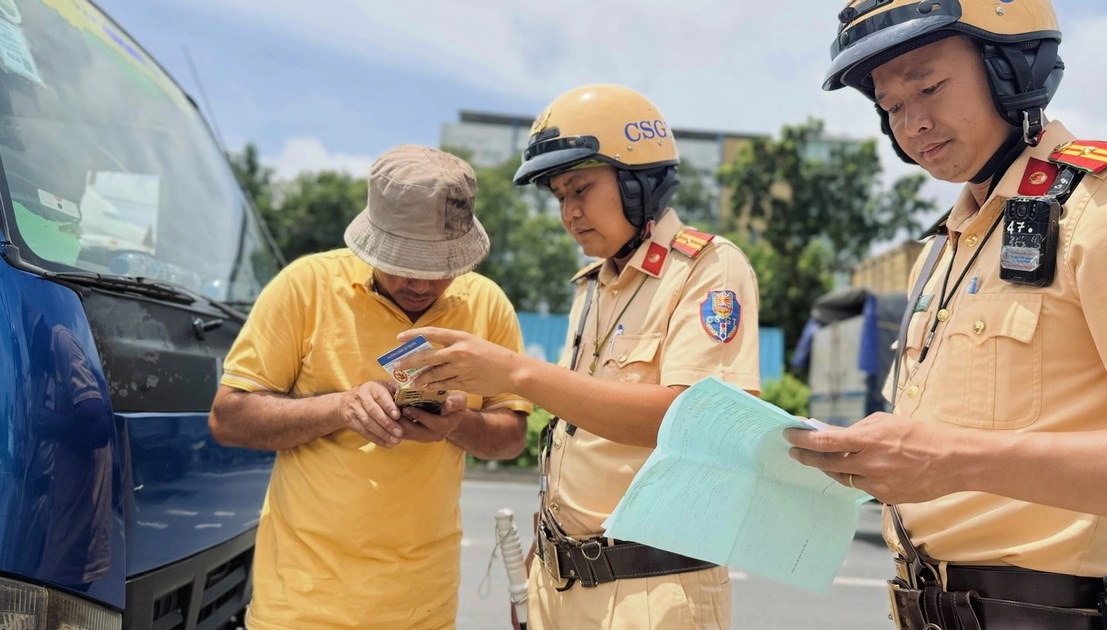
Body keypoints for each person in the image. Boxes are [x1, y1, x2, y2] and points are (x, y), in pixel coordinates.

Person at [785, 1, 1107, 628]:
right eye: (893, 106)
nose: (914, 122)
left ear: (1011, 66)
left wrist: (955, 460)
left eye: (929, 86)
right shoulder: (946, 250)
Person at [394, 84, 761, 629]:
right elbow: (575, 435)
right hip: (560, 580)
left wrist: (516, 372)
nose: (569, 212)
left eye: (581, 188)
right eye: (559, 196)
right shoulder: (592, 287)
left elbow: (698, 425)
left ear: (639, 181)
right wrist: (538, 560)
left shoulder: (708, 270)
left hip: (651, 590)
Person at [208, 145, 531, 630]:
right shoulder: (305, 286)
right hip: (302, 605)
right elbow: (228, 418)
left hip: (424, 606)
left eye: (439, 267)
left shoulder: (488, 305)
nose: (421, 284)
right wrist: (340, 407)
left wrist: (456, 424)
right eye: (403, 263)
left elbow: (511, 438)